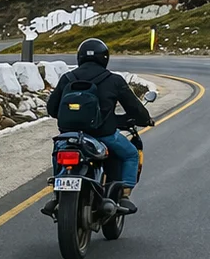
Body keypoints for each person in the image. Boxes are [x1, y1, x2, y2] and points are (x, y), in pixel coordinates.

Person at [45, 38, 152, 214]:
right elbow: (135, 109)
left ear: (79, 57)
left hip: (70, 135)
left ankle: (58, 194)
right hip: (104, 134)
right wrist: (144, 119)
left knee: (59, 151)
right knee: (131, 154)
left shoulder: (67, 78)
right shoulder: (114, 80)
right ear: (105, 58)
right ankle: (124, 195)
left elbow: (52, 109)